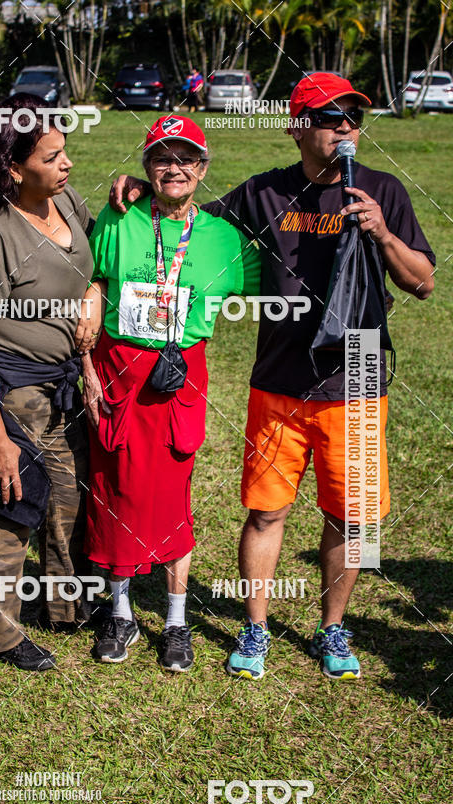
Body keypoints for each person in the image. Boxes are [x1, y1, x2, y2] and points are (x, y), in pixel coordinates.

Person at [109, 72, 435, 681]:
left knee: (351, 519)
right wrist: (139, 188)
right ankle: (255, 629)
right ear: (296, 127)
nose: (344, 126)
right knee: (265, 513)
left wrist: (383, 232)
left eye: (352, 117)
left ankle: (332, 627)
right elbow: (188, 221)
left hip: (358, 375)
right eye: (329, 116)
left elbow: (422, 282)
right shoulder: (264, 195)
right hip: (278, 380)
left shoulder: (383, 190)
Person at [76, 115, 261, 672]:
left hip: (179, 377)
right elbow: (93, 280)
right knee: (111, 489)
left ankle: (177, 620)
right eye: (161, 158)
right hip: (116, 370)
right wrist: (86, 365)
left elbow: (286, 282)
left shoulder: (225, 239)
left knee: (174, 491)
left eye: (186, 159)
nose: (173, 168)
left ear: (203, 170)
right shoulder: (119, 216)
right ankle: (122, 611)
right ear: (145, 167)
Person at [0, 94, 102, 671]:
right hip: (6, 384)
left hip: (57, 382)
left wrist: (94, 299)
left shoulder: (64, 200)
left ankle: (65, 606)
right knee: (6, 502)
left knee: (67, 494)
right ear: (13, 168)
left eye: (66, 151)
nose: (67, 165)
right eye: (53, 156)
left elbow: (92, 265)